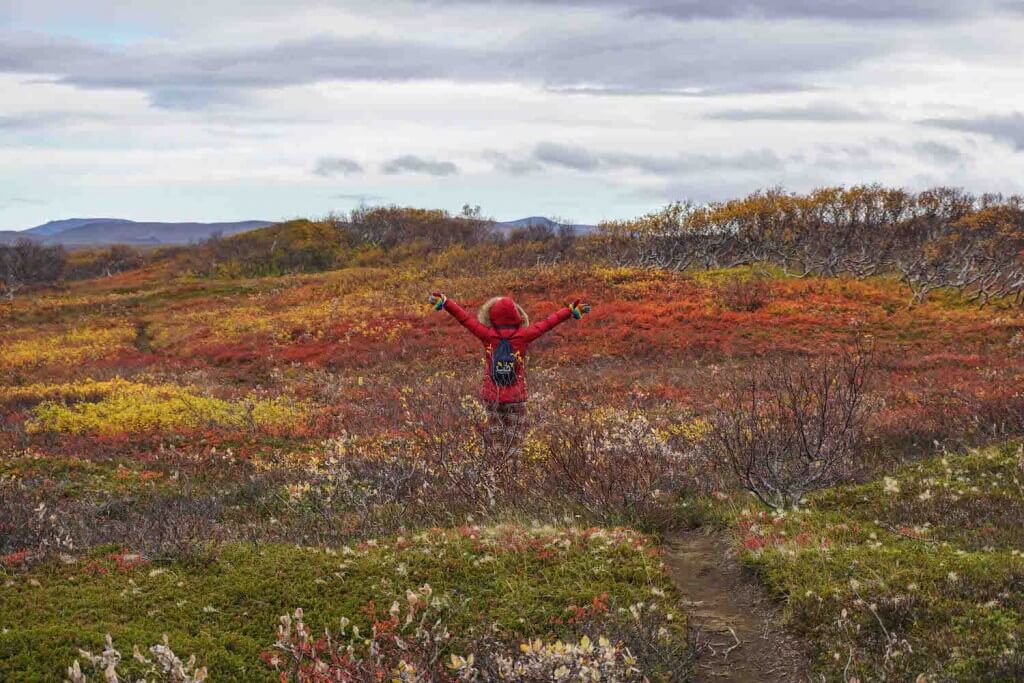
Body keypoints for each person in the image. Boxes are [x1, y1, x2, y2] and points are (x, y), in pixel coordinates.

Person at [427, 292, 591, 454]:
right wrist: (569, 311)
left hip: (493, 397)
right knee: (514, 443)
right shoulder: (524, 335)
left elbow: (465, 319)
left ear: (491, 316)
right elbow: (548, 323)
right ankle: (512, 474)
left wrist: (446, 302)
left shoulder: (487, 335)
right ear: (517, 316)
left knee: (495, 440)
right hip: (516, 398)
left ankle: (497, 473)